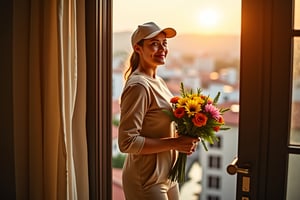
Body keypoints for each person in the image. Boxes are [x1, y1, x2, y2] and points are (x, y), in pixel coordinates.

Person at [118, 22, 200, 200]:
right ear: (138, 48)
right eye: (154, 43)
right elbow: (127, 142)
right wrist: (175, 143)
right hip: (146, 180)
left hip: (169, 175)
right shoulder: (139, 86)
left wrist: (188, 134)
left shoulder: (159, 81)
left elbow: (157, 124)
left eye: (164, 43)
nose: (162, 48)